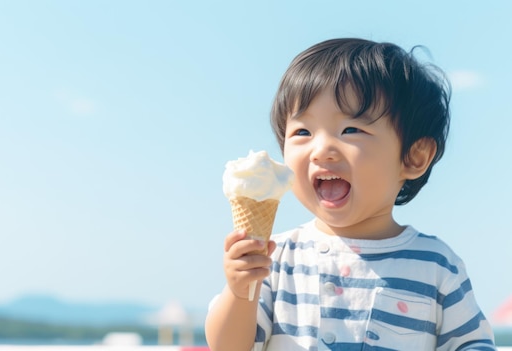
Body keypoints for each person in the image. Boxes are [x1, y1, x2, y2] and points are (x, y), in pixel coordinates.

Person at [205, 38, 496, 350]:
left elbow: (472, 343)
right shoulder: (276, 256)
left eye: (351, 130)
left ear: (414, 157)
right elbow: (230, 347)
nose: (322, 150)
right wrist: (238, 292)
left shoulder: (436, 265)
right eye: (302, 132)